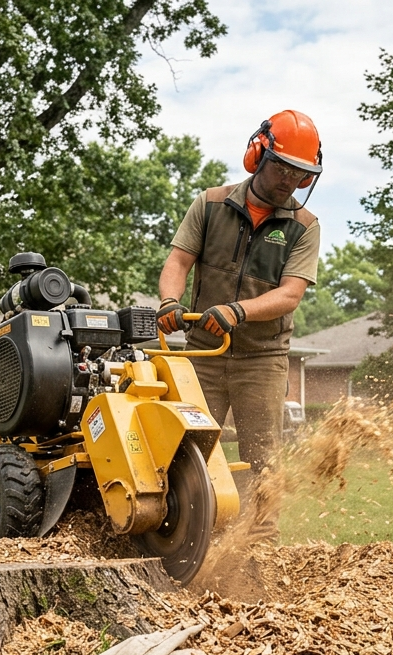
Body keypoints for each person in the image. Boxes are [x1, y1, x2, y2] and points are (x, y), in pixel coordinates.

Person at [155, 110, 323, 474]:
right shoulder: (211, 204)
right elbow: (178, 262)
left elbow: (290, 295)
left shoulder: (305, 227)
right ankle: (188, 528)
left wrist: (236, 311)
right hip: (204, 352)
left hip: (262, 358)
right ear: (258, 154)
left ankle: (258, 532)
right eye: (282, 168)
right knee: (185, 449)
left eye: (299, 173)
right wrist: (170, 300)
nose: (289, 180)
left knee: (262, 457)